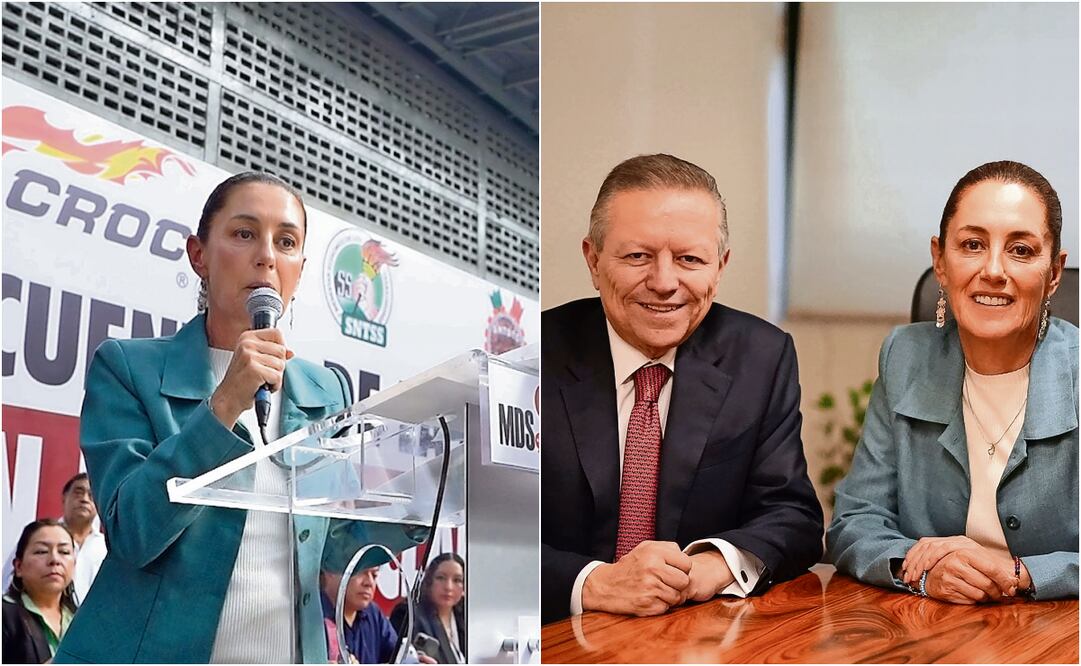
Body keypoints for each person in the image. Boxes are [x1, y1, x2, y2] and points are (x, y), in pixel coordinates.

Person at [53, 172, 424, 663]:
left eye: (286, 242)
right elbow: (132, 534)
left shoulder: (325, 389)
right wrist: (224, 405)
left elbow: (334, 553)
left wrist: (417, 499)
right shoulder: (127, 368)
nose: (267, 255)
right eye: (244, 233)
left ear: (299, 268)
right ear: (199, 255)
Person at [541, 154, 824, 623]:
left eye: (690, 259)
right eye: (638, 256)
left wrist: (709, 568)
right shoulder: (532, 353)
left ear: (720, 266)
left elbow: (792, 517)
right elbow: (488, 529)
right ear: (593, 260)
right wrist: (591, 582)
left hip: (693, 637)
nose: (664, 282)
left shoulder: (761, 357)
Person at [827, 160, 1077, 603]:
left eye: (1020, 250)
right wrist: (922, 569)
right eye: (972, 244)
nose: (994, 270)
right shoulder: (904, 356)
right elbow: (855, 520)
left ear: (1054, 273)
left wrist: (1018, 572)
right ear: (940, 261)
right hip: (933, 628)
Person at [2, 520, 78, 663]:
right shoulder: (4, 615)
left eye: (64, 552)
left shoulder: (82, 620)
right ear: (18, 566)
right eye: (41, 551)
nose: (55, 560)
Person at [391, 553, 466, 663]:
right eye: (441, 578)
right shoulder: (409, 614)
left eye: (457, 580)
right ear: (429, 580)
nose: (448, 587)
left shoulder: (464, 618)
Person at [320, 562, 399, 664]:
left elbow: (399, 655)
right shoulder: (309, 617)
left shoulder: (373, 614)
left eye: (374, 575)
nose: (369, 583)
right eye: (360, 572)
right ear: (331, 571)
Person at [58, 473, 107, 605]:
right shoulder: (40, 538)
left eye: (91, 495)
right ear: (64, 497)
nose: (84, 499)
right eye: (78, 493)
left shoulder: (107, 548)